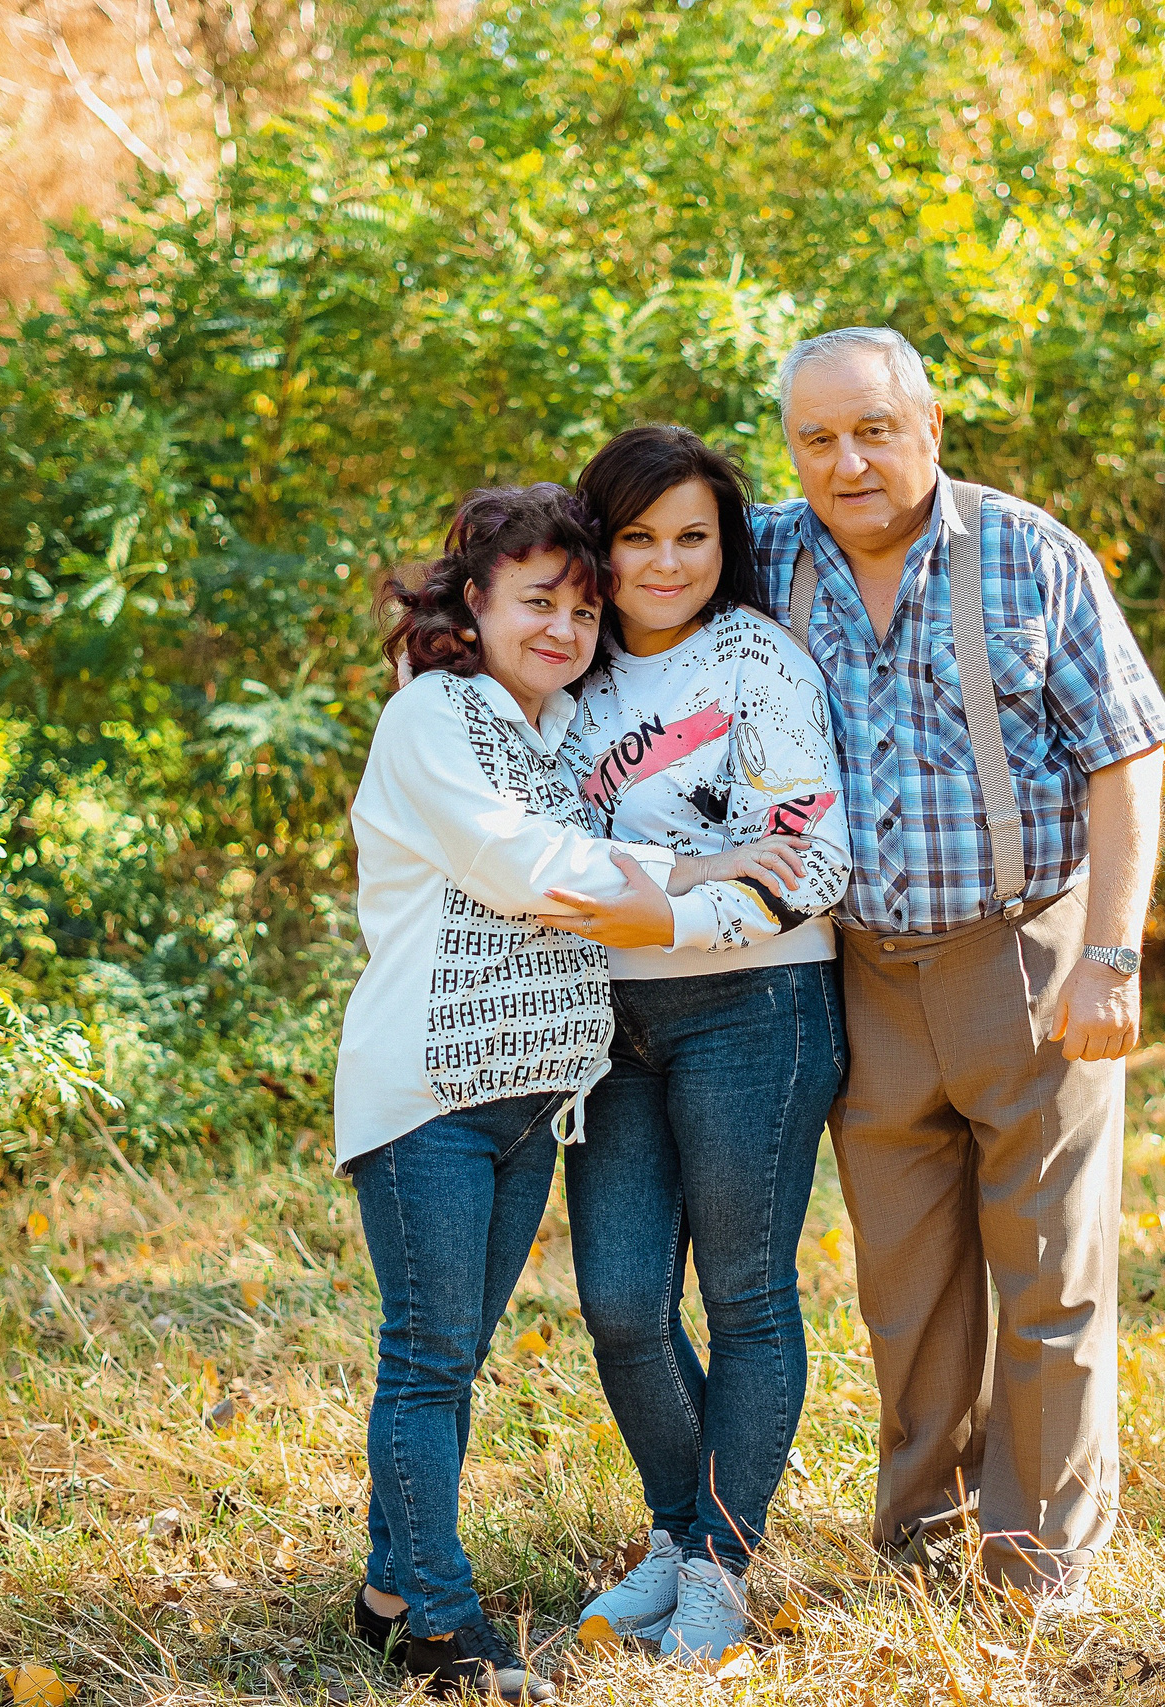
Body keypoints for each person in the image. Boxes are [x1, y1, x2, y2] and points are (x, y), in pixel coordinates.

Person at [750, 328, 1165, 1616]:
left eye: (873, 430)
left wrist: (1110, 957)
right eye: (818, 440)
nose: (848, 463)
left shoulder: (1027, 554)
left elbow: (1126, 754)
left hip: (1024, 955)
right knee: (906, 1285)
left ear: (929, 425)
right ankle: (922, 1541)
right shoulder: (762, 560)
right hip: (861, 974)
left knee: (1050, 1272)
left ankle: (1037, 1562)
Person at [336, 483, 692, 1701]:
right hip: (428, 1093)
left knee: (452, 1358)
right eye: (538, 601)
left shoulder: (554, 736)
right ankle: (443, 1628)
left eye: (583, 611)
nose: (563, 629)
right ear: (474, 601)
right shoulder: (431, 717)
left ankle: (388, 1595)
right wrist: (701, 873)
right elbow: (522, 869)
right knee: (429, 1359)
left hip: (531, 1098)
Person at [536, 426, 850, 1668]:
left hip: (756, 1006)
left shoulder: (756, 661)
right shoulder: (565, 675)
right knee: (619, 1302)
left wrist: (660, 908)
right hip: (604, 1025)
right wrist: (684, 878)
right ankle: (676, 1535)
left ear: (726, 547)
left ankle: (720, 1564)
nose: (665, 563)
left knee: (744, 1297)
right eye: (637, 538)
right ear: (597, 546)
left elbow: (812, 862)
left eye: (692, 538)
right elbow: (536, 857)